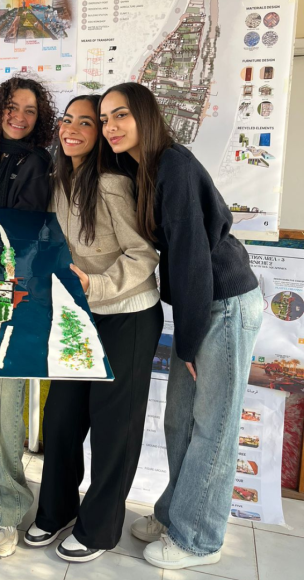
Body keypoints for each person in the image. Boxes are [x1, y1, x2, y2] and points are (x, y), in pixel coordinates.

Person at [99, 82, 263, 570]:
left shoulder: (172, 165)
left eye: (121, 115)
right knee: (179, 421)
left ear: (146, 116)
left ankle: (199, 539)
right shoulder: (144, 167)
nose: (110, 127)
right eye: (105, 118)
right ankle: (176, 513)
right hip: (202, 305)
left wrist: (187, 343)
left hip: (225, 303)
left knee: (213, 427)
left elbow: (192, 257)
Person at [23, 95, 163, 563]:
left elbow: (144, 254)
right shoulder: (61, 178)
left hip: (128, 315)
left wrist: (97, 285)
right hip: (81, 313)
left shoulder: (109, 182)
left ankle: (99, 528)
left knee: (113, 429)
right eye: (69, 120)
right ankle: (57, 508)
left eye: (90, 122)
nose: (74, 128)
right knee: (61, 418)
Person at [0, 76, 57, 558]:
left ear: (40, 121)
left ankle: (5, 508)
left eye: (30, 111)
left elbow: (25, 232)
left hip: (16, 293)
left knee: (5, 395)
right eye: (12, 107)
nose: (19, 116)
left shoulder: (37, 161)